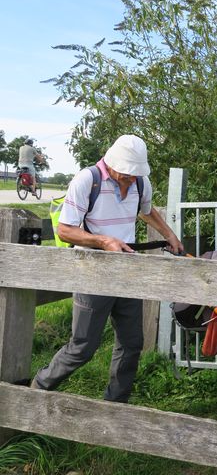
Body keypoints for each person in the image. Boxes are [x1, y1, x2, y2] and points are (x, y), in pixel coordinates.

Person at [31, 134, 184, 403]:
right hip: (93, 273)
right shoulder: (86, 180)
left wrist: (169, 234)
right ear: (110, 163)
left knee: (132, 343)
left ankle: (115, 405)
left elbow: (147, 211)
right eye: (125, 174)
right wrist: (104, 241)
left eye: (134, 175)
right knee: (83, 348)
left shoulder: (139, 181)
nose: (130, 180)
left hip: (127, 272)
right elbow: (65, 230)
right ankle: (38, 388)